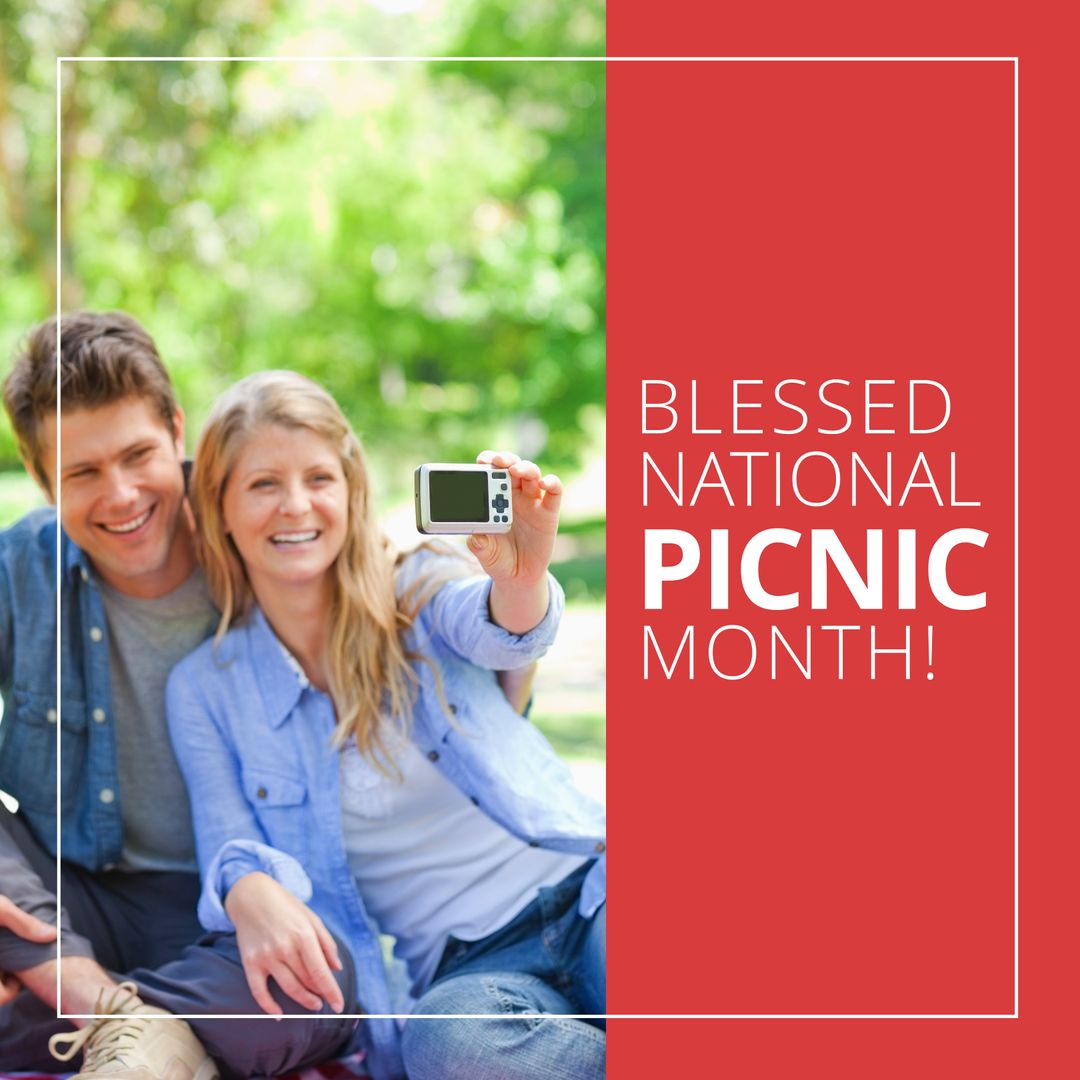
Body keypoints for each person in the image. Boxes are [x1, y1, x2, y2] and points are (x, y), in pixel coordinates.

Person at [167, 370, 606, 1080]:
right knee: (445, 1048)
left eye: (318, 477)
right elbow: (229, 842)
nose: (297, 505)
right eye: (263, 484)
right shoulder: (206, 690)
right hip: (474, 975)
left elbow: (501, 633)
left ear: (349, 490)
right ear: (218, 507)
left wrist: (520, 580)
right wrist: (245, 888)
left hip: (590, 892)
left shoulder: (416, 585)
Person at [0, 313, 361, 1078]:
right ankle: (129, 1029)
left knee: (317, 987)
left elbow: (398, 622)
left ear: (175, 430)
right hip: (64, 898)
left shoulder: (267, 529)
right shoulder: (19, 570)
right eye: (82, 472)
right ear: (41, 479)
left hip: (228, 906)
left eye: (137, 455)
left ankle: (104, 1025)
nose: (122, 495)